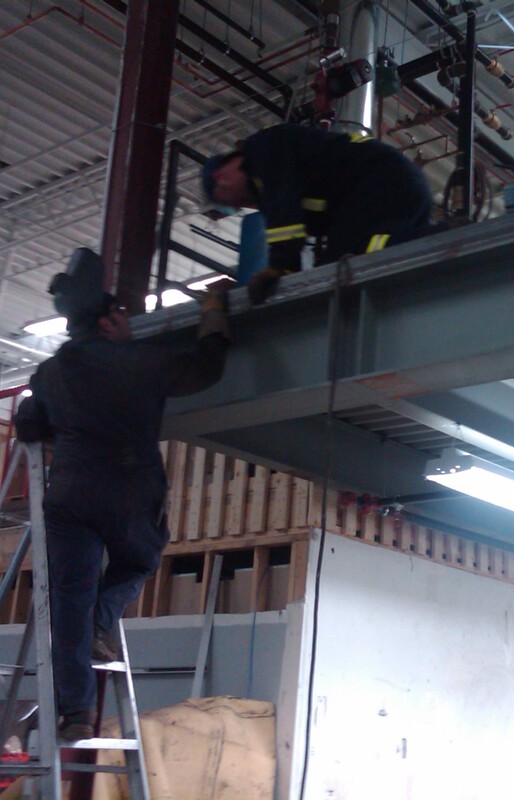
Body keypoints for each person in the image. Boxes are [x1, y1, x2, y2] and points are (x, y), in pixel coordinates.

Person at [14, 248, 229, 742]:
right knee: (139, 560)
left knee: (69, 597)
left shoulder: (49, 373)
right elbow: (206, 370)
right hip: (129, 488)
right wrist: (215, 314)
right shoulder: (139, 361)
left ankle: (74, 713)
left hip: (69, 493)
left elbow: (30, 423)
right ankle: (101, 620)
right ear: (109, 319)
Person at [202, 122, 435, 303]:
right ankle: (431, 242)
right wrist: (287, 274)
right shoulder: (279, 178)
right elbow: (299, 228)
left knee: (351, 258)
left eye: (227, 200)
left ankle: (436, 237)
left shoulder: (262, 150)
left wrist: (277, 267)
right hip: (400, 185)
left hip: (381, 179)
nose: (240, 205)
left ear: (220, 177)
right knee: (350, 258)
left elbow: (284, 217)